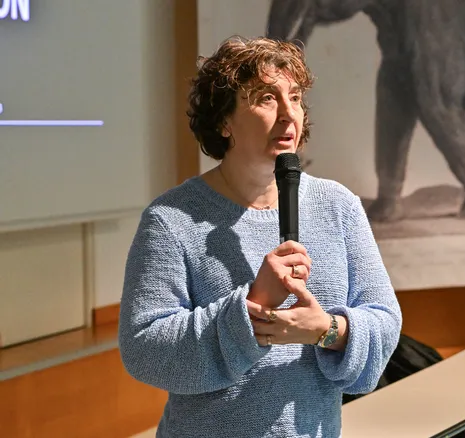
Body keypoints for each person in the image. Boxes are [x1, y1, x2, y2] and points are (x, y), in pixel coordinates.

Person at [118, 35, 402, 438]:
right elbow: (144, 349)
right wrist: (254, 306)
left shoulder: (338, 206)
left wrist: (327, 330)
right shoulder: (171, 220)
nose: (289, 113)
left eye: (296, 97)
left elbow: (385, 320)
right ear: (223, 121)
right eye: (266, 98)